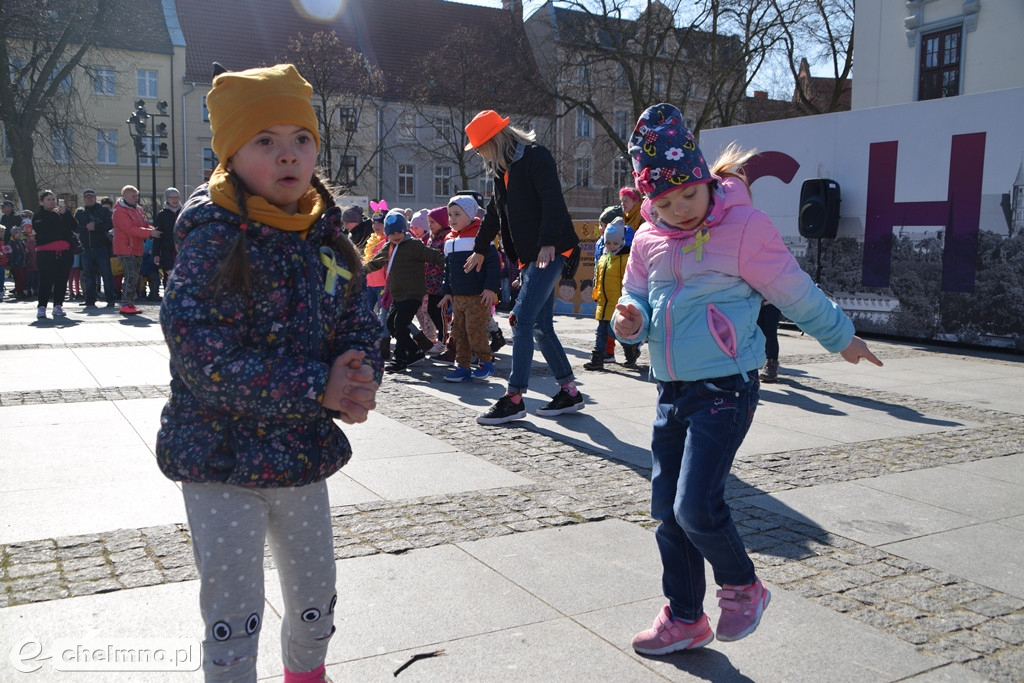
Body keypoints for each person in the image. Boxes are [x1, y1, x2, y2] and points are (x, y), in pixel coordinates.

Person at [614, 103, 882, 654]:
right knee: (666, 512)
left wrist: (841, 337)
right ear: (649, 201)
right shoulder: (646, 240)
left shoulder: (743, 227)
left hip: (725, 388)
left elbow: (794, 289)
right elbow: (636, 297)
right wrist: (630, 320)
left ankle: (743, 587)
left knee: (695, 507)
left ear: (706, 180)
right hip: (671, 390)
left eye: (689, 194)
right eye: (664, 202)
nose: (681, 210)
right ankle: (685, 618)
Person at [155, 63, 382, 683]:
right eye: (266, 141)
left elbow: (358, 318)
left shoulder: (327, 238)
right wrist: (317, 386)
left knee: (315, 601)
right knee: (235, 611)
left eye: (301, 139)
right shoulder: (212, 238)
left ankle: (307, 675)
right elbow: (202, 356)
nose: (289, 155)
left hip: (299, 455)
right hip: (219, 460)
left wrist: (359, 374)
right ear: (230, 154)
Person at [462, 109, 584, 425]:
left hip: (553, 249)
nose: (477, 153)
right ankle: (569, 391)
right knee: (540, 326)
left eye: (479, 147)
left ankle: (514, 397)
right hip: (533, 256)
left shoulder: (535, 157)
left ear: (495, 140)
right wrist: (478, 248)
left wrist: (547, 243)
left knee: (520, 319)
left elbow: (553, 201)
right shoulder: (502, 172)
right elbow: (493, 214)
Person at [363, 210, 444, 371]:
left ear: (405, 230)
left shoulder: (413, 245)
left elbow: (434, 256)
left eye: (399, 231)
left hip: (413, 293)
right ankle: (415, 351)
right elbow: (375, 263)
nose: (396, 235)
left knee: (400, 324)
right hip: (398, 294)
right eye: (392, 232)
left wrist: (448, 265)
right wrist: (358, 272)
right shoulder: (389, 247)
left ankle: (400, 359)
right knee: (391, 325)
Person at [439, 194, 500, 382]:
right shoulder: (449, 240)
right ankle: (462, 366)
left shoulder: (480, 238)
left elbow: (493, 264)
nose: (452, 219)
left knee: (475, 330)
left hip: (477, 295)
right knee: (459, 333)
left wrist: (490, 288)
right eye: (450, 215)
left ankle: (485, 361)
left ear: (471, 215)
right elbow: (448, 269)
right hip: (458, 297)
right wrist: (447, 292)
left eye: (457, 214)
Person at [584, 218, 638, 370]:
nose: (611, 246)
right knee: (601, 332)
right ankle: (597, 358)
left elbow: (627, 281)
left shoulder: (625, 259)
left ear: (621, 242)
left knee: (618, 333)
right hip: (603, 302)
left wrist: (627, 300)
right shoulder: (603, 258)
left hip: (618, 303)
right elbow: (598, 279)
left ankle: (631, 350)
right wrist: (596, 295)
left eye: (615, 243)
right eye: (608, 243)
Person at [112, 185, 160, 315]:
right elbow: (129, 229)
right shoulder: (119, 211)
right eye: (133, 196)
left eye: (136, 195)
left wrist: (153, 229)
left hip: (137, 248)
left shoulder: (138, 210)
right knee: (131, 275)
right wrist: (150, 233)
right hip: (125, 248)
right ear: (125, 196)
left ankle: (129, 303)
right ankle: (125, 303)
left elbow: (144, 225)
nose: (136, 198)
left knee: (134, 276)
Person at [33, 191, 78, 319]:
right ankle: (42, 306)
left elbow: (75, 226)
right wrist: (53, 215)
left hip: (64, 252)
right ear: (42, 202)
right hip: (46, 253)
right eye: (48, 199)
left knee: (61, 280)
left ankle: (58, 305)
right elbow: (42, 229)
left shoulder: (62, 214)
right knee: (46, 280)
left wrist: (66, 213)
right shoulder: (38, 216)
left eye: (53, 199)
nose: (52, 202)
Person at [75, 188, 116, 308]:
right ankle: (90, 300)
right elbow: (75, 228)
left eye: (91, 197)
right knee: (88, 276)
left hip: (101, 248)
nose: (89, 199)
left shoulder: (103, 211)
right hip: (86, 249)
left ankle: (110, 299)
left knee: (107, 275)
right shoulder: (80, 212)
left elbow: (110, 224)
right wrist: (86, 227)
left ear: (95, 197)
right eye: (87, 197)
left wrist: (96, 227)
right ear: (84, 199)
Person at [153, 187, 182, 291]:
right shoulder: (162, 215)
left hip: (182, 249)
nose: (174, 200)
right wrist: (156, 253)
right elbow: (157, 235)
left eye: (176, 197)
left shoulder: (184, 212)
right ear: (167, 199)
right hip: (167, 250)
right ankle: (168, 298)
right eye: (171, 197)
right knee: (168, 274)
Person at [757, 303, 783, 382]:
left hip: (773, 301)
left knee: (770, 331)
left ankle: (771, 364)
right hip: (758, 302)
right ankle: (762, 361)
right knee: (760, 332)